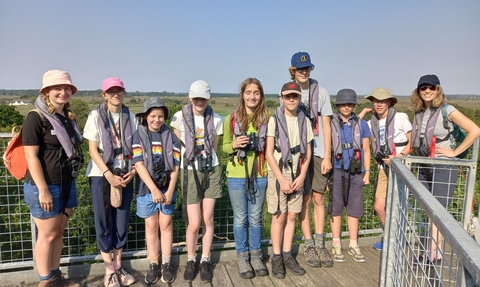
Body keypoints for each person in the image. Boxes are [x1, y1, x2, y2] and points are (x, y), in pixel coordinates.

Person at [410, 74, 480, 263]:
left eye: (431, 87)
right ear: (418, 91)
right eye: (423, 87)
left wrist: (454, 152)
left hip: (443, 165)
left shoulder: (447, 110)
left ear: (438, 89)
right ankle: (430, 249)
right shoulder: (419, 111)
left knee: (438, 209)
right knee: (428, 208)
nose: (427, 91)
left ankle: (434, 252)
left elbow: (475, 130)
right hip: (424, 164)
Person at [23, 70, 83, 287]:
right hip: (45, 186)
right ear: (46, 91)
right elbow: (31, 156)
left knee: (58, 232)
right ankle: (45, 281)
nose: (63, 92)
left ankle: (56, 277)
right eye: (57, 88)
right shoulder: (35, 117)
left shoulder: (66, 118)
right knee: (47, 235)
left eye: (67, 88)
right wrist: (43, 190)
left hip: (66, 183)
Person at [83, 77, 137, 287]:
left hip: (125, 173)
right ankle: (109, 270)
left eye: (119, 90)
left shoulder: (131, 117)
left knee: (122, 220)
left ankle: (118, 265)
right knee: (104, 221)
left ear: (124, 93)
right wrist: (107, 174)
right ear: (104, 95)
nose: (116, 94)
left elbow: (136, 149)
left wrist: (133, 170)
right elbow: (92, 149)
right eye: (111, 91)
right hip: (101, 174)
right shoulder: (95, 116)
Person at [170, 80, 223, 283]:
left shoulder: (217, 120)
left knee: (207, 219)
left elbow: (215, 148)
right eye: (196, 98)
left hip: (211, 169)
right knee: (194, 223)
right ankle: (191, 259)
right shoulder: (178, 118)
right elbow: (176, 149)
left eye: (203, 98)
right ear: (190, 98)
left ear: (208, 98)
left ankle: (206, 259)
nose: (199, 101)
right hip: (189, 169)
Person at [289, 51, 334, 268]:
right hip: (299, 153)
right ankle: (308, 245)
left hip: (318, 151)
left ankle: (320, 243)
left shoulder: (321, 92)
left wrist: (327, 155)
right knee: (304, 199)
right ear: (293, 71)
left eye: (306, 68)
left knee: (318, 198)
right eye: (299, 69)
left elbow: (327, 126)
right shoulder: (290, 92)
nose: (303, 72)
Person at [223, 78, 269, 279]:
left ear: (261, 95)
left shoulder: (267, 118)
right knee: (241, 219)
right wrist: (234, 144)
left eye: (256, 92)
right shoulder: (231, 119)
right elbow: (223, 147)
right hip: (236, 175)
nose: (252, 96)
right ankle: (243, 257)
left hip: (260, 174)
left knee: (256, 218)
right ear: (242, 95)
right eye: (248, 92)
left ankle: (256, 256)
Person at [266, 82, 313, 279]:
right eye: (287, 96)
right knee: (280, 216)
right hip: (279, 173)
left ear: (299, 98)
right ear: (282, 98)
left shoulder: (305, 121)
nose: (291, 100)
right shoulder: (274, 120)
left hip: (298, 172)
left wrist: (302, 176)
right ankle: (276, 256)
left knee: (293, 215)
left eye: (295, 96)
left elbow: (308, 153)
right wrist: (281, 180)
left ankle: (287, 255)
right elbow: (269, 153)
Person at [132, 98, 181, 284]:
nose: (156, 119)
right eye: (153, 116)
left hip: (168, 188)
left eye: (160, 116)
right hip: (146, 189)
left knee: (166, 224)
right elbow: (138, 164)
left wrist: (169, 191)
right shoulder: (138, 136)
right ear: (146, 116)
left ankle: (167, 263)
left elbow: (176, 166)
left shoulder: (172, 137)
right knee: (151, 226)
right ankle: (154, 263)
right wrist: (153, 189)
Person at [361, 87, 412, 251]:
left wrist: (399, 157)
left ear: (389, 102)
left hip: (401, 165)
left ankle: (397, 239)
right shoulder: (371, 123)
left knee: (399, 205)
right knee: (379, 206)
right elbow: (356, 126)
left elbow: (413, 141)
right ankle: (392, 237)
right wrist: (363, 111)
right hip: (383, 167)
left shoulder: (401, 117)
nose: (379, 104)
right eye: (376, 101)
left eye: (382, 101)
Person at [329, 89, 371, 263]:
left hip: (355, 171)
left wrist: (367, 172)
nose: (346, 107)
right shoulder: (330, 122)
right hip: (337, 170)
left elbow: (366, 149)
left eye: (350, 104)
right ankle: (336, 243)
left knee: (354, 209)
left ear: (354, 105)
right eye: (343, 104)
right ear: (338, 105)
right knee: (336, 208)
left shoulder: (362, 124)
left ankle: (353, 244)